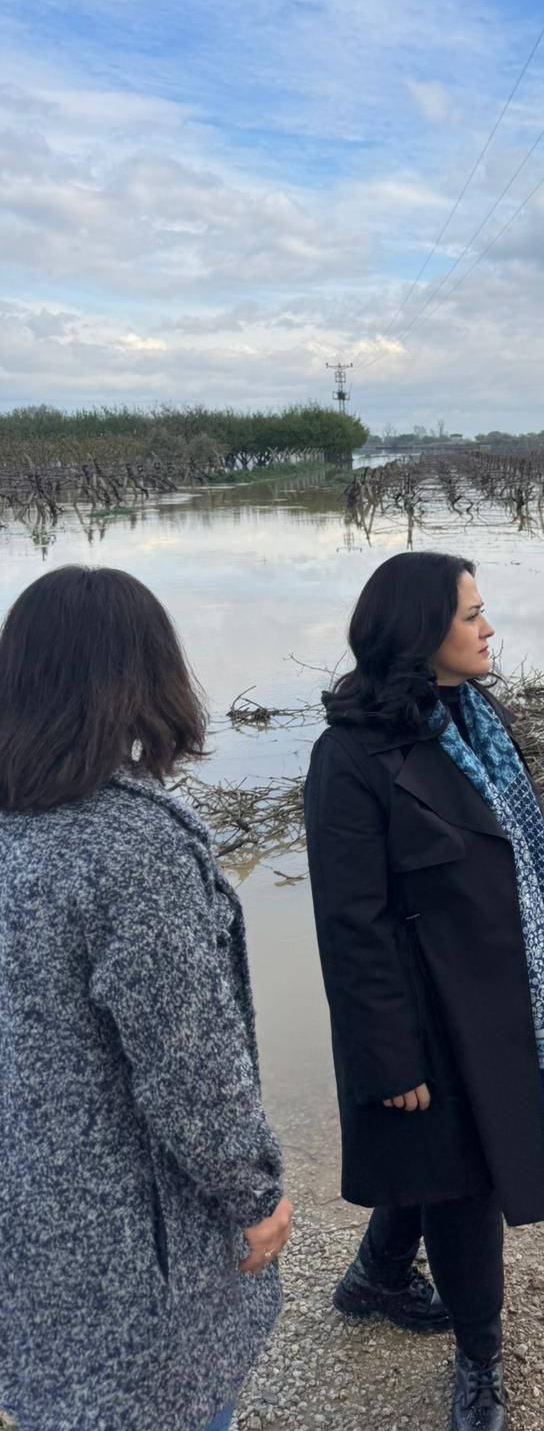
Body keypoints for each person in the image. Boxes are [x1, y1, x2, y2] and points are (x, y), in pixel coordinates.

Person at [304, 550, 544, 1431]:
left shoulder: (473, 721)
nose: (488, 628)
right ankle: (479, 1361)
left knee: (437, 1158)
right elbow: (350, 925)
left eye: (483, 611)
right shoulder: (349, 756)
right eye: (471, 614)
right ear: (421, 630)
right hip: (428, 1018)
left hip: (497, 1001)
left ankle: (378, 1274)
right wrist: (390, 1057)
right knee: (464, 1181)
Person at [0, 566, 293, 1431]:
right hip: (137, 1260)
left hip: (26, 1227)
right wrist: (255, 1196)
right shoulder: (135, 851)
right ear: (145, 677)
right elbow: (191, 1071)